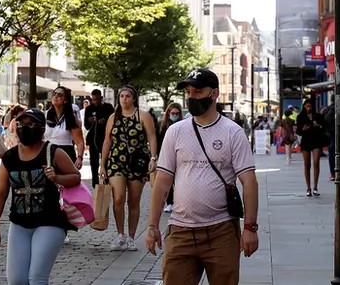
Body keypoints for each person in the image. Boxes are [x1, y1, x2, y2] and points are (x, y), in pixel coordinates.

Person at [145, 68, 259, 285]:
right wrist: (152, 226)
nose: (191, 97)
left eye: (198, 91)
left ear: (214, 94)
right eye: (188, 92)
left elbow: (250, 182)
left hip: (221, 232)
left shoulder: (232, 132)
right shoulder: (175, 132)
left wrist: (250, 228)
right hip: (180, 232)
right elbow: (162, 182)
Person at [0, 108, 80, 285]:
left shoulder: (53, 152)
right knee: (16, 280)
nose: (25, 128)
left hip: (50, 221)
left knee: (37, 278)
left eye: (31, 124)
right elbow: (1, 192)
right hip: (20, 223)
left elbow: (75, 177)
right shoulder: (10, 157)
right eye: (22, 124)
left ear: (42, 129)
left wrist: (58, 177)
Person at [99, 85, 157, 250]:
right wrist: (103, 164)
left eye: (127, 96)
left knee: (133, 200)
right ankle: (120, 234)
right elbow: (107, 141)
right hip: (116, 160)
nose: (124, 99)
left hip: (137, 161)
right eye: (121, 96)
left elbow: (152, 137)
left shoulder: (143, 116)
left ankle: (131, 236)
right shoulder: (113, 117)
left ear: (133, 99)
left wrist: (153, 158)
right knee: (118, 197)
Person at [43, 86, 84, 169]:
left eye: (60, 95)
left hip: (66, 153)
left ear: (65, 100)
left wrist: (79, 158)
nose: (56, 96)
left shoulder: (70, 118)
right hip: (47, 153)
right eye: (54, 94)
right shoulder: (45, 115)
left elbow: (79, 141)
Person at [295, 97, 328, 197]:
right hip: (306, 141)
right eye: (307, 106)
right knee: (306, 164)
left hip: (316, 141)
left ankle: (315, 187)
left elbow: (324, 127)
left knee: (316, 162)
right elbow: (298, 131)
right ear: (304, 106)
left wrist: (318, 125)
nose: (309, 108)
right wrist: (303, 129)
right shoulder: (300, 116)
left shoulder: (318, 116)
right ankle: (308, 187)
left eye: (310, 106)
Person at [84, 88, 115, 187]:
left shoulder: (108, 108)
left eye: (97, 99)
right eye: (94, 99)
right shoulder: (89, 109)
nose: (96, 101)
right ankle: (95, 182)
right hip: (93, 138)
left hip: (105, 138)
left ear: (101, 98)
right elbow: (86, 126)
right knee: (94, 162)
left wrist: (105, 121)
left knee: (105, 160)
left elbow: (114, 122)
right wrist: (90, 121)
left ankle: (106, 179)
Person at [157, 102, 183, 212]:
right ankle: (169, 202)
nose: (174, 115)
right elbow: (159, 142)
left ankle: (178, 202)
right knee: (168, 181)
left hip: (179, 155)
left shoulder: (183, 125)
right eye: (173, 113)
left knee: (179, 180)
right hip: (166, 155)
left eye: (177, 113)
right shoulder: (162, 126)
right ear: (168, 113)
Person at [321, 96, 336, 181]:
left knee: (331, 154)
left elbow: (323, 124)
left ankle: (333, 174)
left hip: (329, 134)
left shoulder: (326, 110)